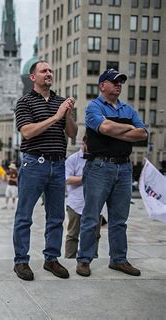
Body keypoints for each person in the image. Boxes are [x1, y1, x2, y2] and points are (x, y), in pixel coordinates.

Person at [76, 69, 147, 277]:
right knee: (91, 217)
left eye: (121, 82)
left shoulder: (128, 108)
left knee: (119, 219)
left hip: (124, 168)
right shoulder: (93, 107)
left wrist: (116, 131)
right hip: (99, 167)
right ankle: (84, 260)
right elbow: (104, 128)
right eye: (114, 81)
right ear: (102, 86)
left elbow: (142, 133)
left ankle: (118, 260)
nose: (118, 85)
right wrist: (126, 130)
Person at [13, 60, 77, 281]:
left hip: (58, 164)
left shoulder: (61, 102)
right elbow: (27, 132)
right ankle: (21, 261)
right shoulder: (25, 102)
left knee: (56, 217)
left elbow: (72, 133)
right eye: (44, 71)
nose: (49, 73)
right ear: (33, 77)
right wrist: (56, 117)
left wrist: (67, 115)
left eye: (51, 70)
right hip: (34, 164)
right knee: (24, 216)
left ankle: (51, 259)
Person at [64, 136, 103, 259]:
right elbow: (67, 179)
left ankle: (92, 259)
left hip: (96, 203)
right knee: (72, 235)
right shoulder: (73, 159)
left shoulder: (100, 159)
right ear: (84, 143)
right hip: (76, 203)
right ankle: (69, 260)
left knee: (95, 235)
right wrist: (85, 178)